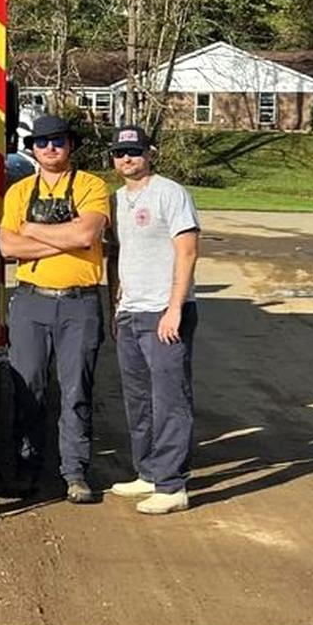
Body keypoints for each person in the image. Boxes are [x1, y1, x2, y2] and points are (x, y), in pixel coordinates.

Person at [0, 114, 109, 504]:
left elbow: (86, 233)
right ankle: (27, 469)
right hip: (31, 302)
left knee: (77, 391)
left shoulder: (91, 186)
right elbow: (8, 248)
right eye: (42, 143)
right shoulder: (18, 192)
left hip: (80, 303)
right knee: (28, 390)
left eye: (58, 141)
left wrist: (32, 231)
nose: (50, 148)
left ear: (70, 145)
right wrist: (64, 240)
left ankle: (75, 472)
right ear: (32, 150)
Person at [105, 126, 200, 515]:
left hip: (164, 312)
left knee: (170, 399)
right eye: (120, 152)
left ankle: (172, 485)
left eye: (134, 151)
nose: (127, 158)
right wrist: (116, 303)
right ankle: (147, 472)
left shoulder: (170, 193)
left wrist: (174, 307)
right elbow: (114, 255)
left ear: (150, 153)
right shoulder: (115, 200)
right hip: (130, 311)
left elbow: (189, 251)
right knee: (138, 400)